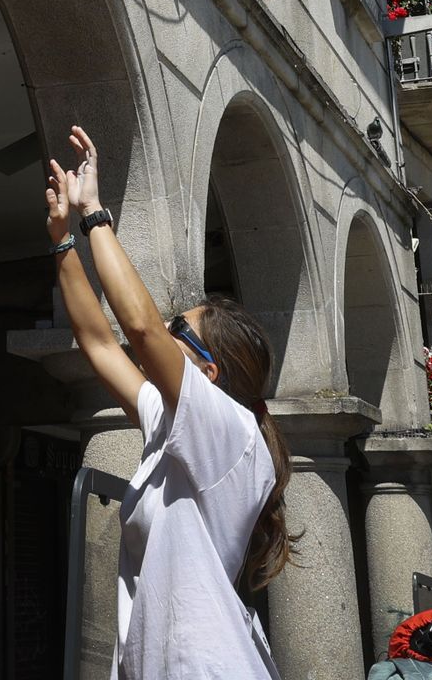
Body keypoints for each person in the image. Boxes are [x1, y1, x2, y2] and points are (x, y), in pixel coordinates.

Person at [42, 125, 292, 679]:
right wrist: (63, 241)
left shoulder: (233, 433)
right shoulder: (177, 427)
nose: (168, 329)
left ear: (210, 371)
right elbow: (101, 344)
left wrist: (96, 214)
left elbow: (138, 328)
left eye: (182, 326)